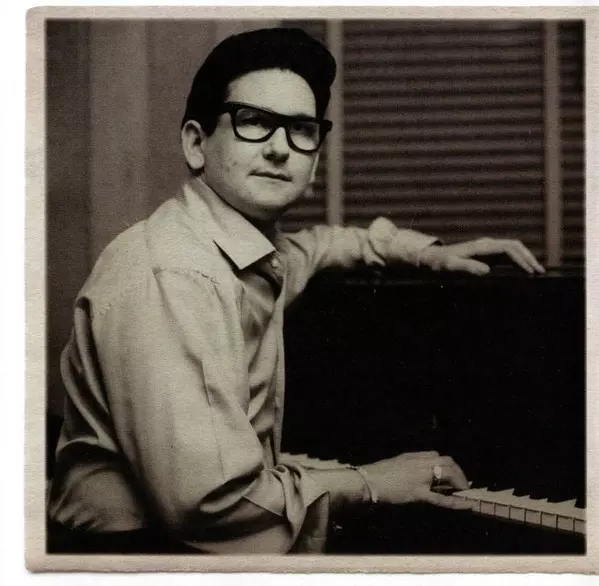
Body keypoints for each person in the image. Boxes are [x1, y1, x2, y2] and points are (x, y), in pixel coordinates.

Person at [47, 27, 545, 554]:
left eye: (301, 129)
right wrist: (372, 482)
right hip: (131, 556)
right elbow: (209, 504)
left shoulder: (246, 250)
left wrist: (427, 251)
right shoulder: (175, 274)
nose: (280, 148)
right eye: (253, 121)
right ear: (196, 144)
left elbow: (326, 245)